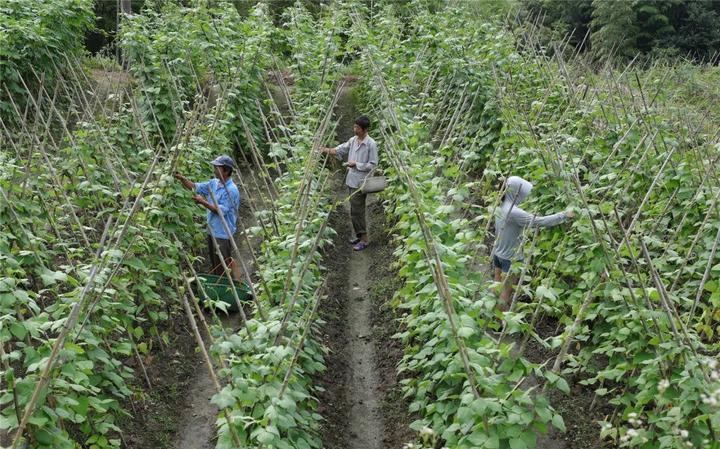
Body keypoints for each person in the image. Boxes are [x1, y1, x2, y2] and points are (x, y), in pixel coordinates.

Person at [493, 176, 575, 310]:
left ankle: (490, 313)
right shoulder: (514, 212)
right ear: (516, 193)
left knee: (496, 285)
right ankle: (498, 321)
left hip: (498, 254)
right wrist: (564, 215)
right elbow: (539, 221)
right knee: (506, 292)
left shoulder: (500, 205)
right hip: (510, 259)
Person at [174, 155, 242, 280]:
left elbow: (220, 211)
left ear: (226, 171)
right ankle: (219, 287)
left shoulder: (232, 190)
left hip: (223, 233)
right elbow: (195, 186)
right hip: (212, 230)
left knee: (223, 265)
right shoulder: (214, 183)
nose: (214, 170)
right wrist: (182, 179)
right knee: (215, 263)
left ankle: (229, 289)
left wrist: (202, 202)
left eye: (217, 167)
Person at [319, 116, 379, 251]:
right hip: (351, 180)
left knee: (357, 211)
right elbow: (340, 149)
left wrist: (356, 164)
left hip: (361, 182)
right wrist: (325, 149)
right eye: (354, 127)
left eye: (357, 128)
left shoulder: (371, 144)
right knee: (353, 210)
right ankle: (359, 235)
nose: (354, 129)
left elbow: (373, 165)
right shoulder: (353, 141)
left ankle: (364, 240)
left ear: (364, 129)